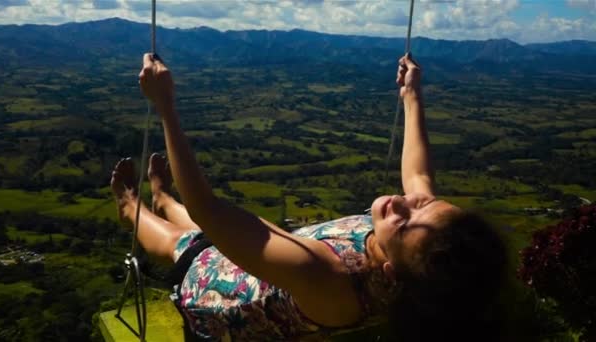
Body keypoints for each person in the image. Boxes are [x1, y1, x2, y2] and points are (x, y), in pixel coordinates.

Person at [110, 53, 507, 341]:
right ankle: (163, 198)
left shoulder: (330, 279)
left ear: (390, 273)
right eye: (424, 203)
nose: (403, 202)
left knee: (186, 242)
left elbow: (210, 209)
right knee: (201, 228)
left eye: (403, 223)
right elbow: (419, 176)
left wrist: (165, 107)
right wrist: (412, 96)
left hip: (221, 296)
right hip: (276, 259)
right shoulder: (420, 256)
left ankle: (132, 205)